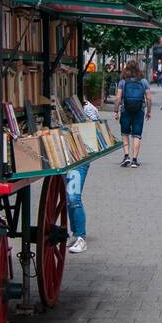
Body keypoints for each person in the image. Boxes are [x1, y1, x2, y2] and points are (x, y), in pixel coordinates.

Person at [65, 92, 103, 254]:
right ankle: (75, 233)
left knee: (73, 197)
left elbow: (94, 132)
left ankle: (81, 236)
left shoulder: (89, 109)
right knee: (69, 197)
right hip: (66, 155)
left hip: (80, 155)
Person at [114, 61, 152, 167]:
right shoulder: (143, 81)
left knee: (125, 133)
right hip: (139, 110)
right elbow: (148, 98)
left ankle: (126, 156)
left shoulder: (123, 81)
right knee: (137, 135)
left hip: (125, 110)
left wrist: (116, 111)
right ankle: (134, 160)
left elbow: (118, 98)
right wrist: (148, 111)